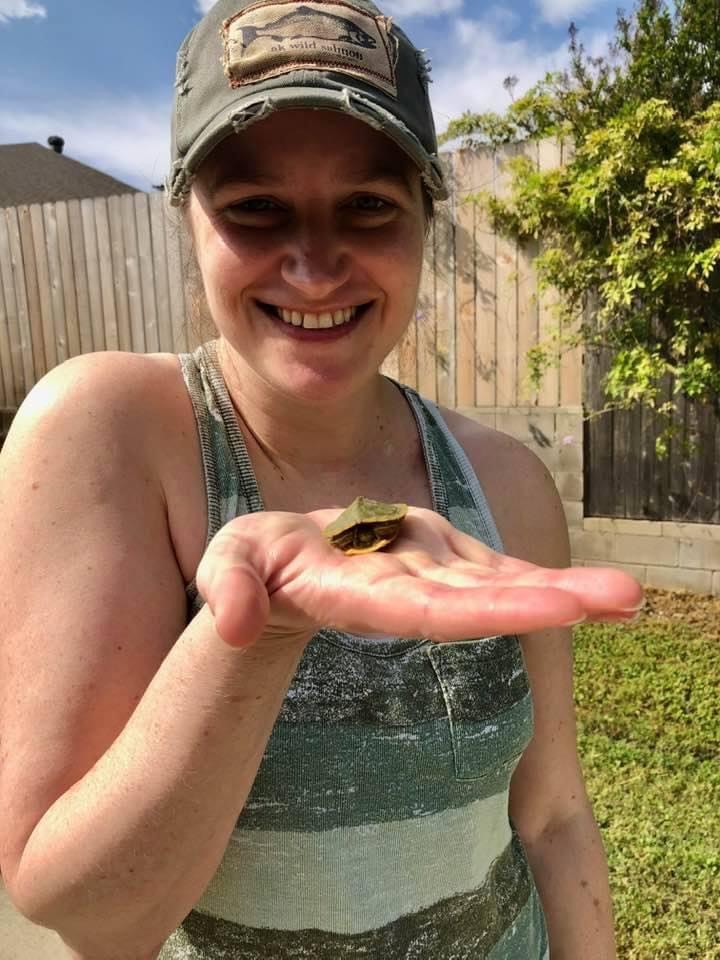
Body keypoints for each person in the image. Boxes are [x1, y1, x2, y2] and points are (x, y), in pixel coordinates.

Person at [0, 1, 643, 958]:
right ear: (189, 218)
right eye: (256, 206)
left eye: (369, 205)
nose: (313, 263)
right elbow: (87, 911)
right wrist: (259, 629)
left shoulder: (504, 481)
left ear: (426, 217)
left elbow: (549, 816)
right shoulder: (108, 432)